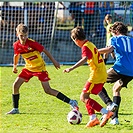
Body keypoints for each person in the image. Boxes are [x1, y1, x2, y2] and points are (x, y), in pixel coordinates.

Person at [6, 23, 78, 114]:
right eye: (21, 36)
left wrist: (54, 61)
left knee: (47, 90)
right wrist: (15, 66)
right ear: (17, 35)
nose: (23, 38)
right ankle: (15, 109)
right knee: (15, 85)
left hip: (40, 68)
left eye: (25, 36)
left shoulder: (32, 43)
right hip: (28, 68)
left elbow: (45, 50)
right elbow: (16, 55)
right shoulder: (16, 45)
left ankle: (72, 102)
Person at [63, 26, 114, 127]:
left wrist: (71, 68)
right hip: (102, 72)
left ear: (76, 40)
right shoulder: (90, 43)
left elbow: (85, 58)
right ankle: (93, 118)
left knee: (83, 97)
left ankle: (105, 112)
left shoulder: (85, 47)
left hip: (96, 74)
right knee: (87, 96)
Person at [98, 22, 133, 125]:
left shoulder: (114, 39)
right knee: (116, 89)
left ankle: (109, 104)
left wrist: (95, 51)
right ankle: (114, 119)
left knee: (97, 82)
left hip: (120, 68)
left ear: (116, 32)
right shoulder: (131, 39)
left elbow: (109, 50)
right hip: (131, 71)